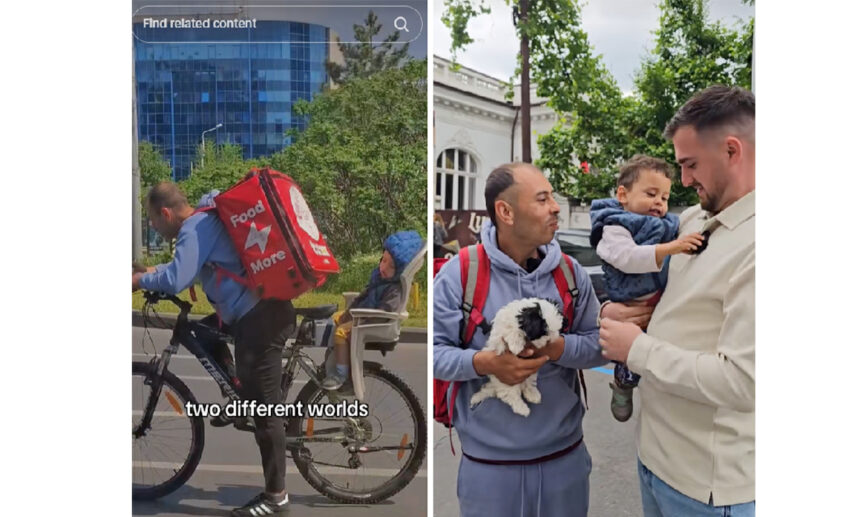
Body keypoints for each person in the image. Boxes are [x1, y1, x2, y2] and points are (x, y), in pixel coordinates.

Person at [599, 85, 755, 516]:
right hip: (654, 461)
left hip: (704, 489)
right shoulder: (692, 219)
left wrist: (636, 348)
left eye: (690, 165)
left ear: (731, 150)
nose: (683, 181)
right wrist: (614, 312)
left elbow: (744, 383)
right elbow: (653, 294)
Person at [434, 162, 604, 517]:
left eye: (552, 197)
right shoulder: (461, 274)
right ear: (505, 211)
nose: (555, 207)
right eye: (542, 199)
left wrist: (559, 348)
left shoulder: (571, 275)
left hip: (565, 462)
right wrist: (484, 363)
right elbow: (433, 354)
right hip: (488, 470)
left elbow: (598, 345)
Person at [132, 182, 295, 517]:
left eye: (152, 221)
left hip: (260, 319)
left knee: (266, 413)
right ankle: (237, 392)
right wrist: (148, 273)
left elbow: (178, 279)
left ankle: (276, 498)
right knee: (203, 333)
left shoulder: (194, 229)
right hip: (253, 313)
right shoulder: (204, 222)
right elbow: (184, 270)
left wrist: (139, 281)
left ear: (166, 213)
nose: (153, 227)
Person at [589, 154, 705, 421]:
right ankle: (622, 386)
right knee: (629, 353)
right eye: (651, 194)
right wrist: (672, 248)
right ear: (622, 194)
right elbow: (628, 259)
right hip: (630, 300)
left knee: (660, 354)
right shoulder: (613, 226)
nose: (658, 203)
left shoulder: (670, 224)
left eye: (664, 198)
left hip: (659, 300)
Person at [322, 230, 423, 390]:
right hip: (362, 315)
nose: (383, 267)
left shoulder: (394, 289)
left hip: (370, 321)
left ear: (399, 272)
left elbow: (385, 312)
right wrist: (349, 313)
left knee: (341, 332)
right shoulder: (380, 279)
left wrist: (356, 317)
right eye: (383, 260)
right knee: (334, 318)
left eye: (390, 266)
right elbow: (364, 297)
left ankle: (341, 375)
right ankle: (334, 359)